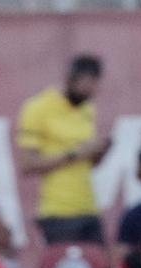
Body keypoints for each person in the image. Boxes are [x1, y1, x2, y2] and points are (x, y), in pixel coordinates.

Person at [18, 55, 108, 245]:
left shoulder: (87, 108)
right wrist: (74, 153)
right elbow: (27, 164)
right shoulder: (38, 108)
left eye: (94, 84)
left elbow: (88, 163)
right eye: (86, 84)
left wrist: (99, 151)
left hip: (88, 207)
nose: (91, 90)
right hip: (57, 211)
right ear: (70, 79)